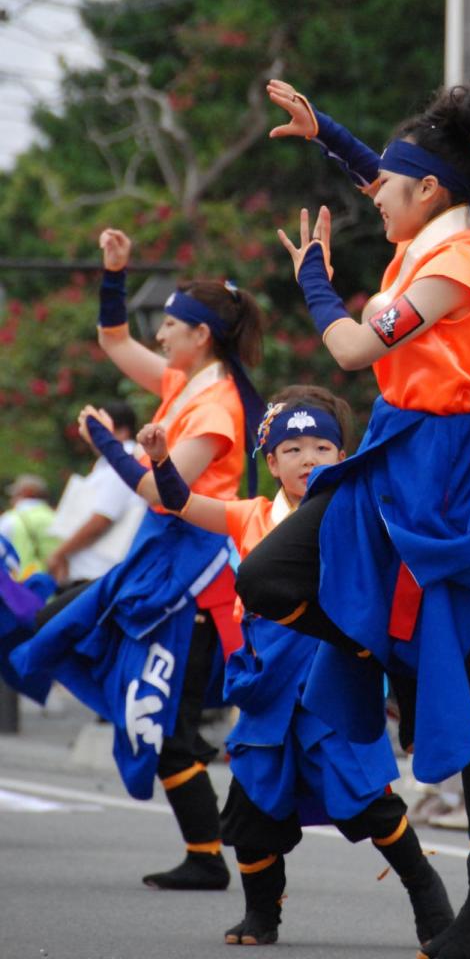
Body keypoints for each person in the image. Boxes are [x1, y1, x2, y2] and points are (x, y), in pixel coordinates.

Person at [235, 75, 470, 959]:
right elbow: (392, 178)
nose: (377, 201)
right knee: (268, 577)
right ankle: (374, 640)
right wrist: (330, 131)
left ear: (429, 193)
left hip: (443, 477)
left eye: (392, 191)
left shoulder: (453, 262)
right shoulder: (432, 219)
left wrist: (314, 282)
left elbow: (354, 348)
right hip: (394, 458)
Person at [114, 384, 453, 948]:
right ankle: (261, 916)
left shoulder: (360, 511)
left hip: (333, 674)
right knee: (252, 806)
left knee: (370, 799)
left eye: (322, 446)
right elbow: (182, 502)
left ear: (343, 457)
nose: (309, 458)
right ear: (270, 462)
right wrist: (159, 459)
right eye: (292, 449)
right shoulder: (251, 515)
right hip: (268, 682)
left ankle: (431, 900)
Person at [11, 226, 265, 894]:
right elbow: (114, 340)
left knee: (168, 724)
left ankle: (211, 854)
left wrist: (108, 446)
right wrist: (113, 274)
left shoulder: (215, 405)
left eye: (172, 326)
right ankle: (212, 847)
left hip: (192, 577)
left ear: (201, 335)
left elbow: (165, 492)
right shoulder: (188, 383)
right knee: (52, 627)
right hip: (159, 564)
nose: (161, 337)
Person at [47, 401, 141, 589]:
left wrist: (59, 553)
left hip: (100, 572)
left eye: (96, 428)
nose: (88, 435)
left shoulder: (124, 460)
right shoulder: (106, 464)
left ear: (121, 431)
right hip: (90, 570)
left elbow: (102, 518)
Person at [0, 474, 57, 581]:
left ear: (27, 492)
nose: (11, 499)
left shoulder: (10, 519)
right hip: (52, 585)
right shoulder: (55, 517)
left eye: (15, 494)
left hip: (22, 586)